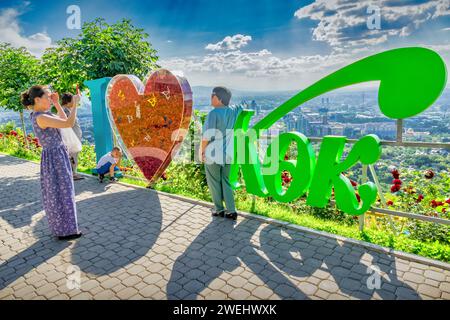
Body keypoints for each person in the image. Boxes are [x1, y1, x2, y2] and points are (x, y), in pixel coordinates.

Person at [21, 85, 82, 240]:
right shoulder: (41, 117)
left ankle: (66, 229)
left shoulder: (42, 114)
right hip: (55, 157)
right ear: (37, 99)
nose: (51, 98)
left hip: (56, 155)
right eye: (48, 97)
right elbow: (68, 123)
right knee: (62, 193)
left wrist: (56, 103)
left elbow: (62, 120)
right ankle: (66, 231)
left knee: (60, 192)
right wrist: (74, 105)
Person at [200, 87, 243, 220]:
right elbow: (240, 106)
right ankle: (232, 211)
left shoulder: (213, 114)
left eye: (212, 95)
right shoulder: (233, 111)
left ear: (219, 98)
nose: (210, 97)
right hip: (228, 154)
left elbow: (206, 137)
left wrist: (202, 152)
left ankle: (219, 210)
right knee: (226, 181)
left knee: (214, 182)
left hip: (213, 154)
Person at [61, 93, 84, 181]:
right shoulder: (65, 111)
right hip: (72, 139)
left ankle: (73, 173)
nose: (74, 103)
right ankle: (73, 174)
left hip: (74, 138)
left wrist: (76, 101)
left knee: (74, 156)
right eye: (72, 101)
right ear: (67, 102)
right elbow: (70, 123)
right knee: (73, 156)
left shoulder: (68, 110)